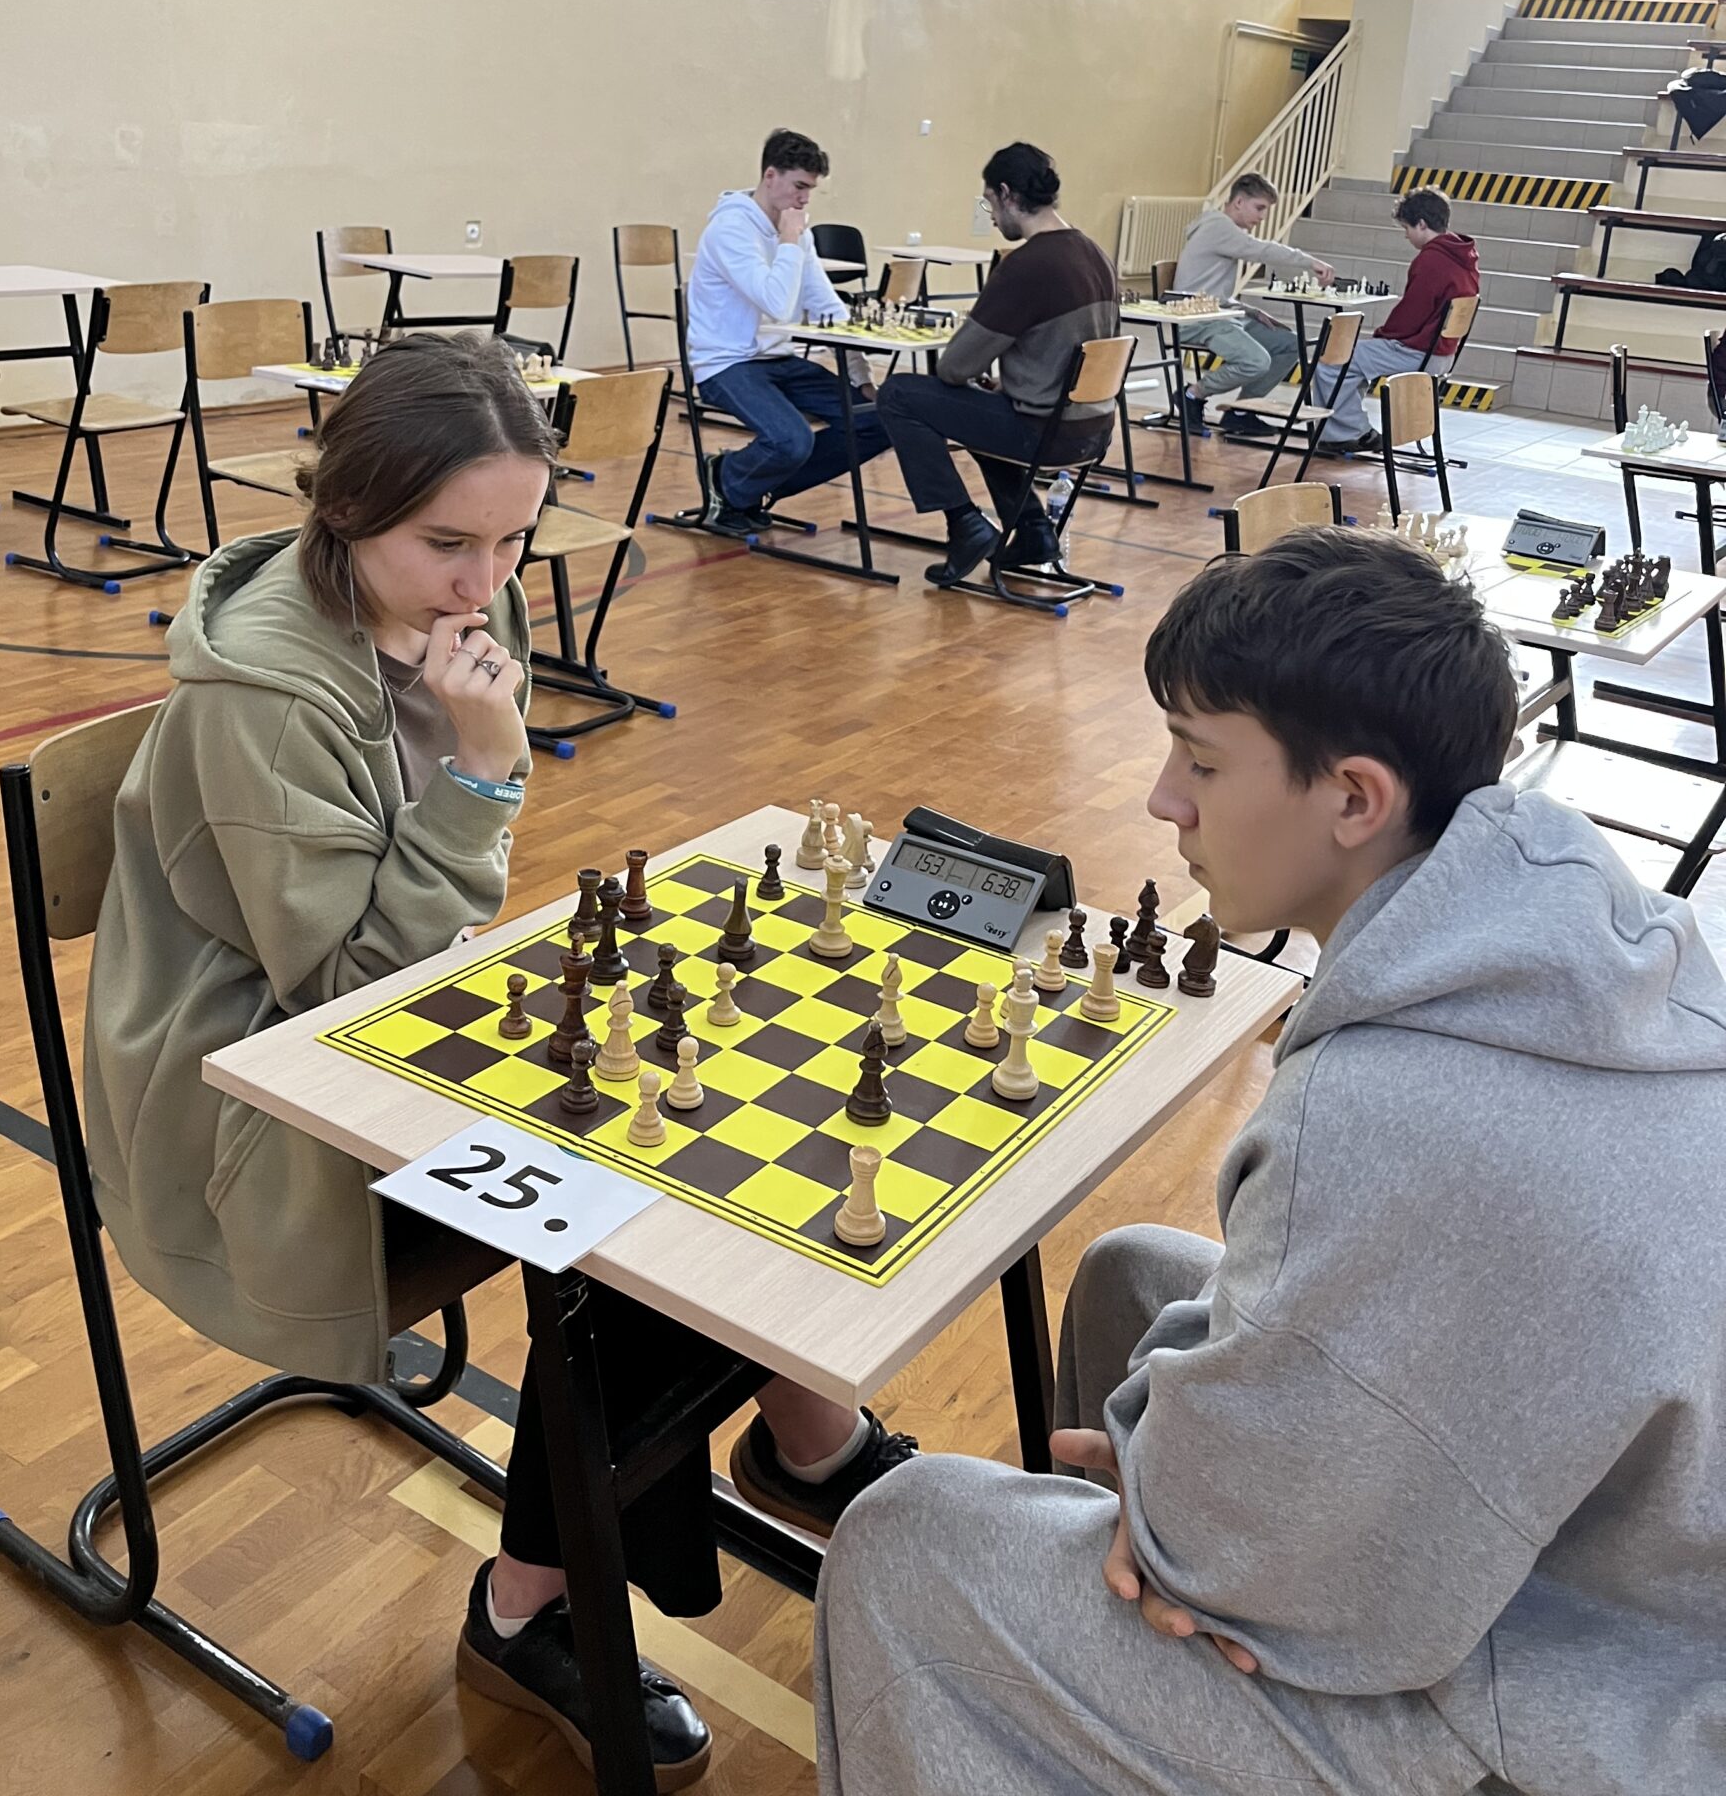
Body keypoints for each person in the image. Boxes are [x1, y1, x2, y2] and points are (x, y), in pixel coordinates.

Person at [82, 333, 915, 1791]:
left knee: (708, 1148)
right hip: (248, 1101)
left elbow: (416, 939)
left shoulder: (456, 603)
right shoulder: (263, 695)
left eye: (516, 538)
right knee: (639, 1225)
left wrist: (474, 769)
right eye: (448, 544)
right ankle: (534, 1604)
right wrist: (480, 770)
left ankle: (800, 1430)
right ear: (345, 511)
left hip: (392, 1028)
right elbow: (341, 988)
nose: (487, 584)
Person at [815, 525, 1726, 1796]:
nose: (1163, 801)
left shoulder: (1382, 1103)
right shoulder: (1568, 919)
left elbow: (1237, 1564)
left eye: (1200, 761)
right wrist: (1162, 1485)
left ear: (1354, 798)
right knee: (1131, 1271)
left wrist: (1175, 1535)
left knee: (906, 1540)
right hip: (1624, 1561)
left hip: (1598, 1707)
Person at [878, 143, 1119, 581]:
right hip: (1095, 429)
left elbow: (954, 367)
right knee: (977, 404)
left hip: (1045, 433)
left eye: (989, 202)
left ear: (1007, 194)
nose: (990, 216)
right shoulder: (1094, 253)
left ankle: (964, 524)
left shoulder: (1027, 264)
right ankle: (1032, 531)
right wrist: (1011, 384)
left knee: (899, 394)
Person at [688, 127, 888, 537]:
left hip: (779, 360)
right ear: (770, 176)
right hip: (726, 364)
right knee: (792, 440)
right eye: (799, 186)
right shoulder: (730, 229)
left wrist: (862, 378)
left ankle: (752, 487)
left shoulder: (797, 234)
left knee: (878, 421)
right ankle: (728, 478)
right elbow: (776, 304)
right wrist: (790, 239)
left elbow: (827, 305)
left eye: (810, 189)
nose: (804, 199)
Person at [1166, 173, 1337, 442]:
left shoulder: (1224, 229)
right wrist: (1309, 262)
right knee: (1256, 361)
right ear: (1238, 202)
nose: (1263, 217)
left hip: (1220, 314)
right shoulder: (1217, 227)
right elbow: (1261, 250)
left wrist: (1249, 310)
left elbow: (1213, 292)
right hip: (1197, 321)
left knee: (1290, 344)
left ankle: (1241, 411)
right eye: (1259, 208)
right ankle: (1192, 394)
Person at [1313, 188, 1480, 454]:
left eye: (1406, 228)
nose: (1405, 235)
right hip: (1443, 353)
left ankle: (1349, 433)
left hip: (1418, 352)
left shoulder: (1432, 259)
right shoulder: (1463, 256)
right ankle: (1346, 429)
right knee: (1355, 360)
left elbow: (1411, 314)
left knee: (1333, 359)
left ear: (1421, 224)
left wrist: (1383, 334)